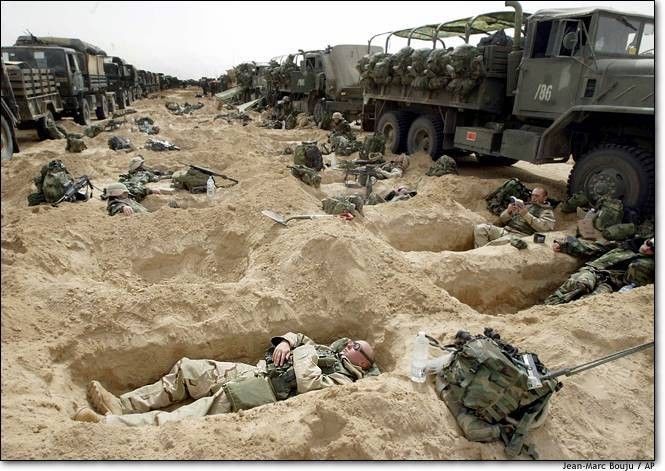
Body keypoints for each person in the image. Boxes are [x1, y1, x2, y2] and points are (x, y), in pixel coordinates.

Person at [73, 332, 378, 426]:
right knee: (189, 370)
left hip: (259, 393)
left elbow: (309, 384)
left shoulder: (344, 381)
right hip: (254, 371)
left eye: (357, 348)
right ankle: (124, 404)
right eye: (352, 343)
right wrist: (287, 342)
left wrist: (303, 351)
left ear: (362, 363)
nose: (349, 346)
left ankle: (109, 424)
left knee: (181, 420)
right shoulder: (328, 350)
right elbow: (298, 336)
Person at [544, 236, 654, 305]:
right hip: (594, 271)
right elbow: (593, 247)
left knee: (591, 302)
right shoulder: (625, 246)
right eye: (648, 243)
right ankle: (547, 307)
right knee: (581, 283)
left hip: (611, 285)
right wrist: (564, 243)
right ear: (646, 240)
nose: (647, 248)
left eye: (653, 249)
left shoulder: (649, 265)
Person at [474, 187, 555, 248]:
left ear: (545, 197)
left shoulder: (547, 211)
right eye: (532, 195)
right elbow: (502, 220)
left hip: (519, 235)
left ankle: (480, 255)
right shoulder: (526, 205)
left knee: (493, 244)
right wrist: (508, 211)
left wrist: (526, 215)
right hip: (505, 230)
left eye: (537, 196)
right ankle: (479, 253)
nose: (534, 198)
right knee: (480, 228)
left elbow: (544, 228)